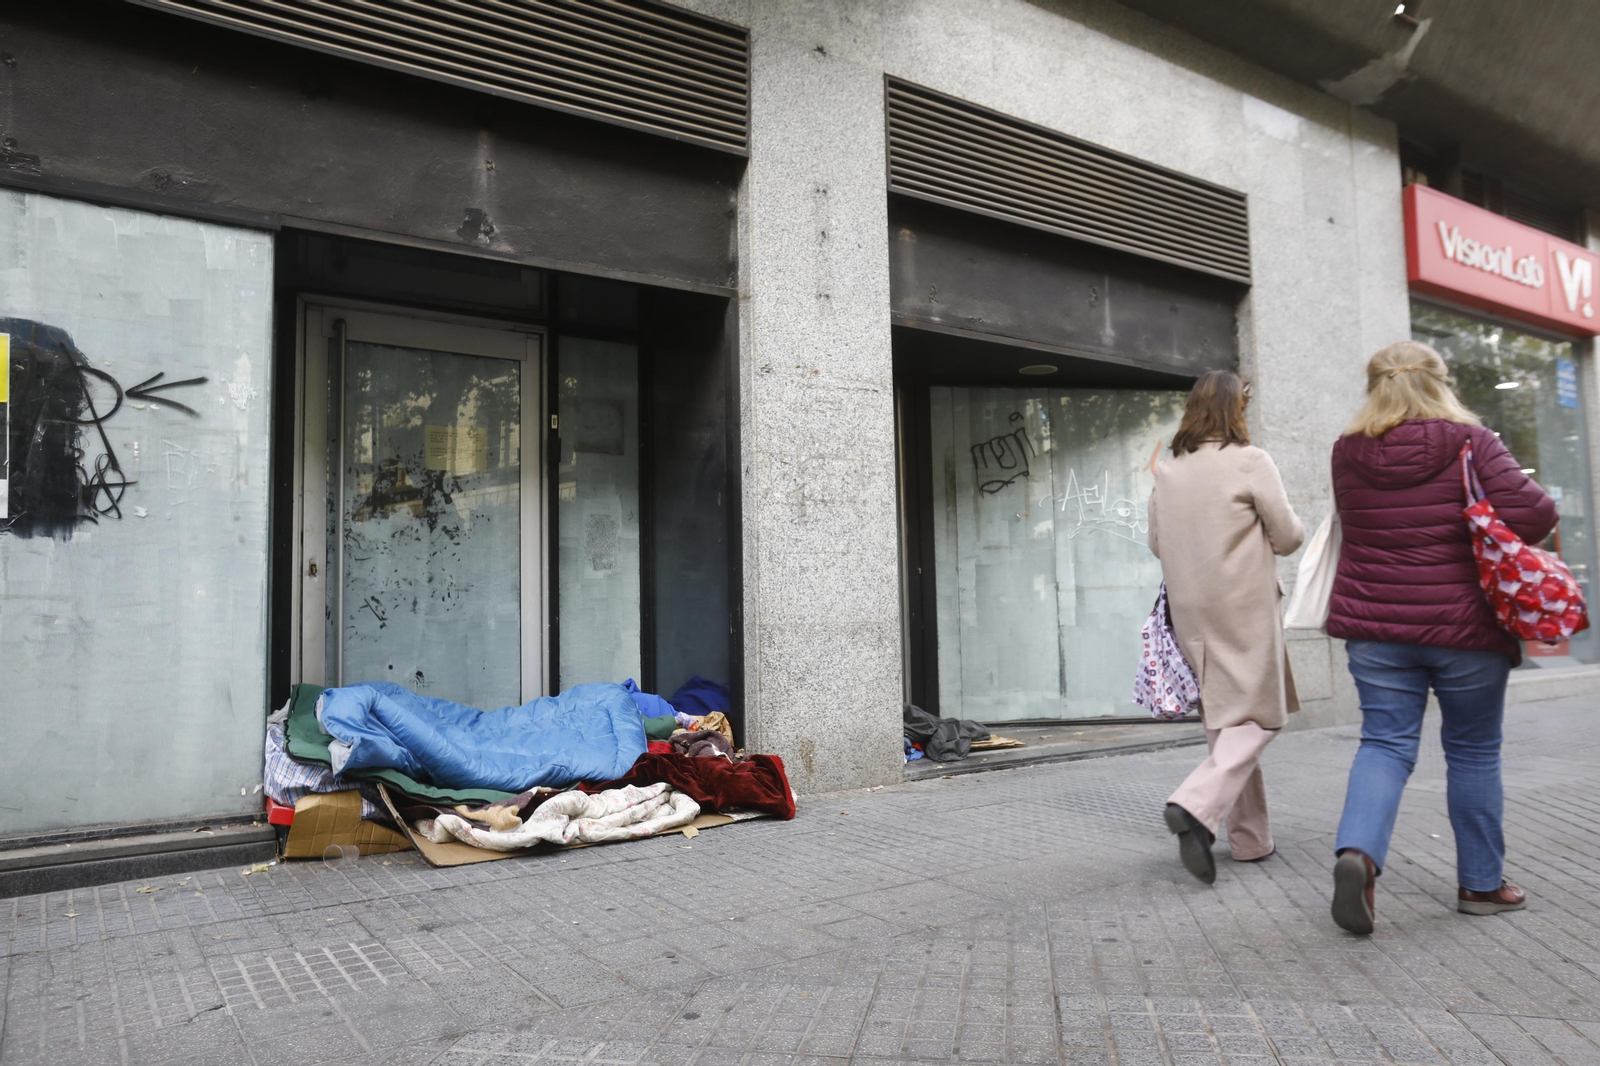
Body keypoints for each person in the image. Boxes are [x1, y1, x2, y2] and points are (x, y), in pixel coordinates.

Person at [1325, 340, 1557, 935]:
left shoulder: (1347, 452)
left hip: (1376, 626)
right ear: (1441, 382)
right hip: (1467, 626)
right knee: (1474, 752)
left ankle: (1358, 854)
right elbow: (1535, 516)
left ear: (1373, 385)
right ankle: (1481, 885)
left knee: (1383, 743)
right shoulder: (1472, 443)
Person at [1148, 369, 1304, 883]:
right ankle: (1193, 802)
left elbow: (1155, 542)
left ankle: (1250, 839)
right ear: (1236, 409)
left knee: (1224, 718)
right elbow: (1287, 536)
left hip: (1190, 610)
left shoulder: (1168, 470)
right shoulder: (1250, 461)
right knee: (1262, 716)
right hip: (1244, 604)